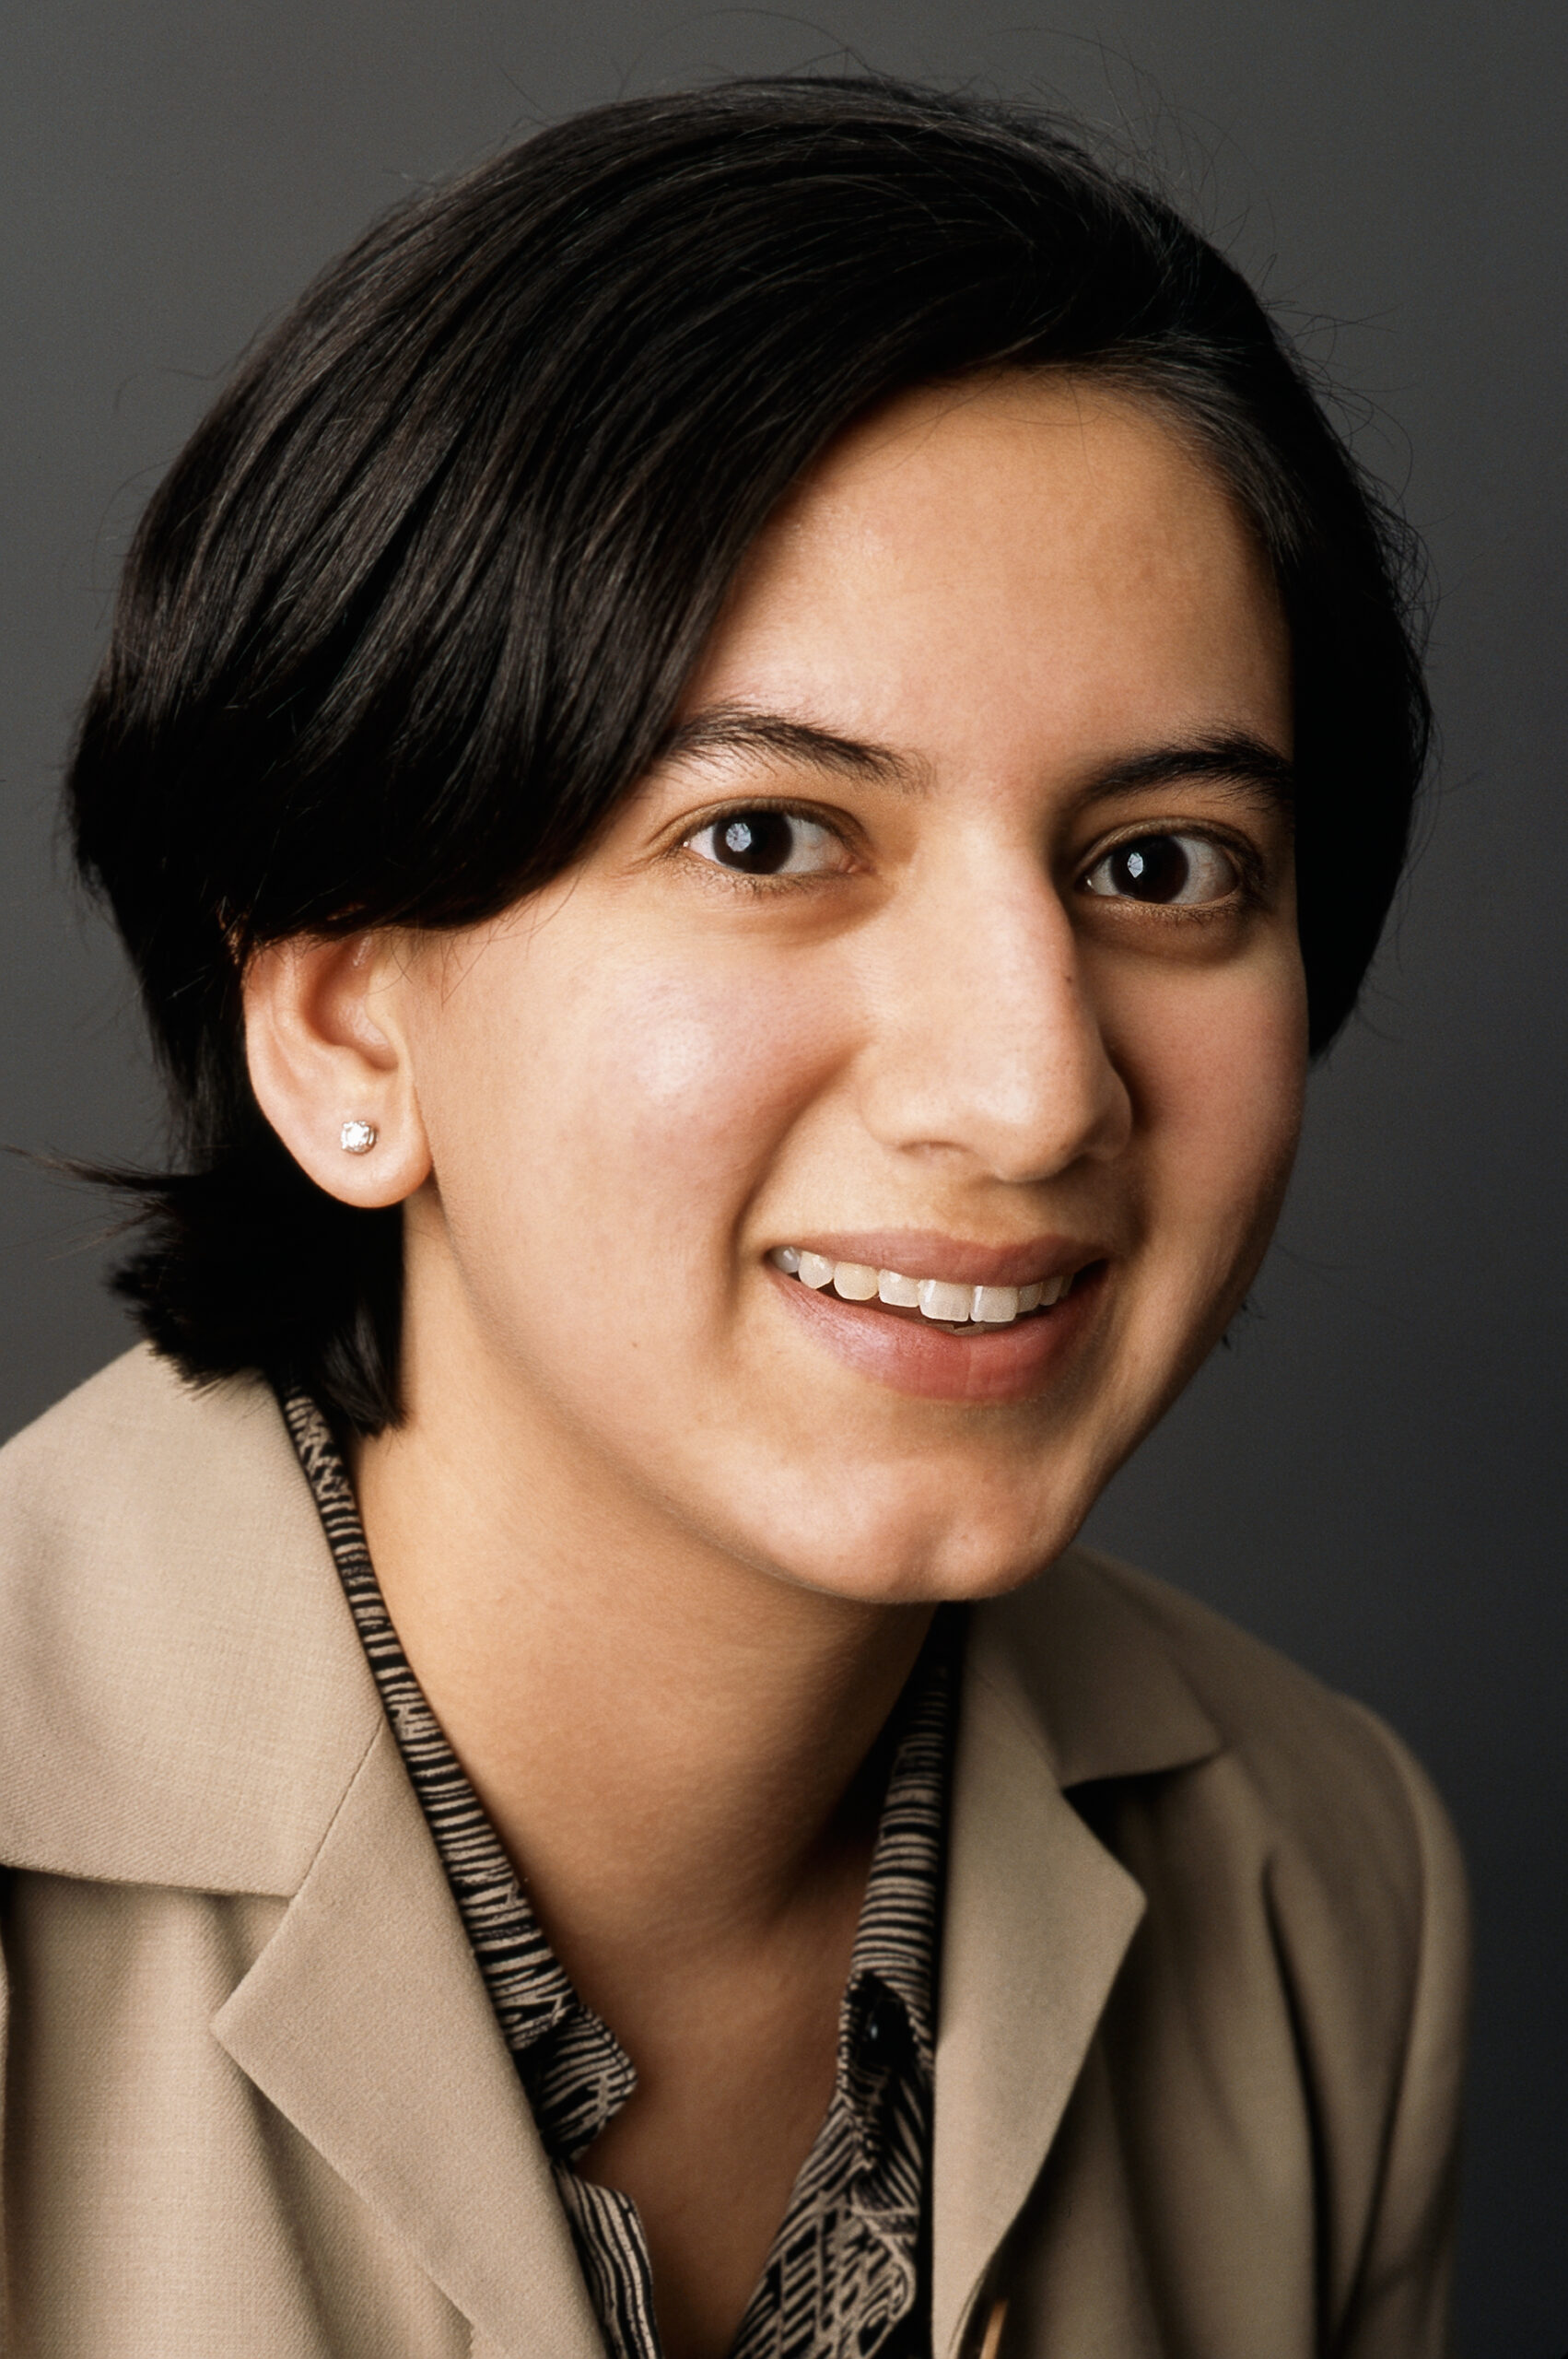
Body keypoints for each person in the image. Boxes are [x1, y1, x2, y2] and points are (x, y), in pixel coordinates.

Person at [0, 74, 1467, 2359]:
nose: (1026, 1083)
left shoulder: (1320, 1873)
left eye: (1157, 864)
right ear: (345, 1030)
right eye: (767, 838)